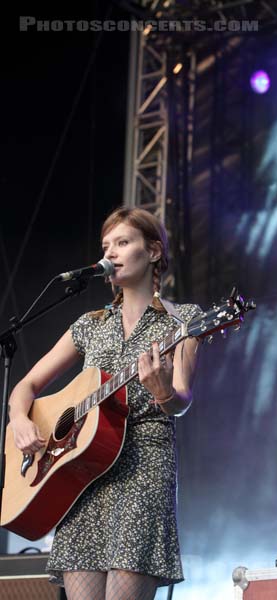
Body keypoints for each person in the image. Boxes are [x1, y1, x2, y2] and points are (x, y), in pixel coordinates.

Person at [7, 206, 201, 600]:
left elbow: (181, 400)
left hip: (142, 468)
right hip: (82, 475)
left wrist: (163, 392)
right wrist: (18, 419)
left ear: (154, 252)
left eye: (123, 242)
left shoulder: (184, 321)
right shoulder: (89, 324)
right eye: (105, 245)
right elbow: (25, 386)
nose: (110, 253)